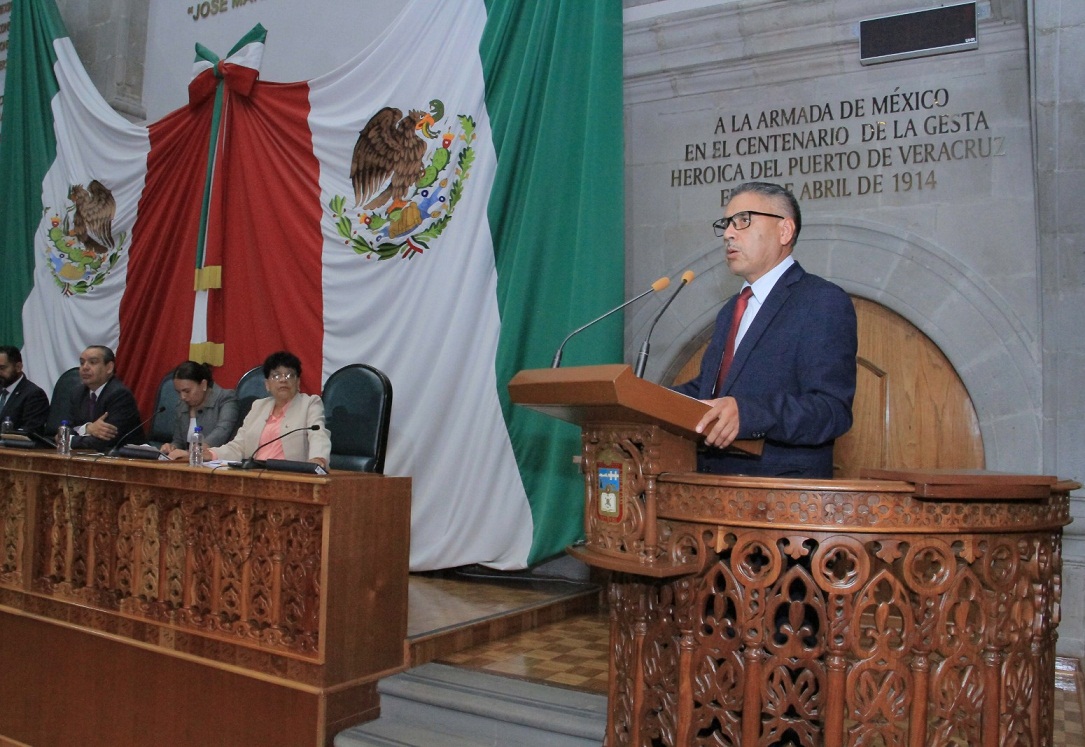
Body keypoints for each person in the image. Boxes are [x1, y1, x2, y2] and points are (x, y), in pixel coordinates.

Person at [673, 181, 857, 478]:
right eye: (727, 224)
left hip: (781, 497)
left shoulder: (821, 301)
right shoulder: (731, 309)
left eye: (743, 220)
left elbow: (830, 411)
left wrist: (749, 414)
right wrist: (646, 400)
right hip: (710, 489)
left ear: (784, 231)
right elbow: (710, 390)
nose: (729, 234)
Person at [207, 351, 331, 468]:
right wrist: (210, 454)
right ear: (267, 384)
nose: (283, 379)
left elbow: (318, 435)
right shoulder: (258, 406)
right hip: (255, 475)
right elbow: (239, 446)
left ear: (298, 382)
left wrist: (318, 458)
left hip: (291, 477)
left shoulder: (309, 404)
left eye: (289, 375)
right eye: (276, 375)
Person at [63, 345, 145, 451]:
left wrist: (70, 439)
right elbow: (64, 431)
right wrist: (88, 428)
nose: (85, 367)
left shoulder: (120, 395)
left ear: (109, 367)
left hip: (122, 459)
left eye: (92, 362)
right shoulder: (78, 393)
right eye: (82, 363)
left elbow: (103, 441)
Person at [159, 361, 240, 461]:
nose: (182, 397)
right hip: (188, 464)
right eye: (178, 392)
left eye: (187, 391)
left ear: (203, 384)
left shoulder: (226, 399)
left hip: (217, 464)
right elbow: (179, 441)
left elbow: (222, 432)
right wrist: (172, 447)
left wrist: (192, 453)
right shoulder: (182, 406)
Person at [0, 345, 50, 434]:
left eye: (2, 368)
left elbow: (30, 431)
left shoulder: (34, 395)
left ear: (18, 367)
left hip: (13, 447)